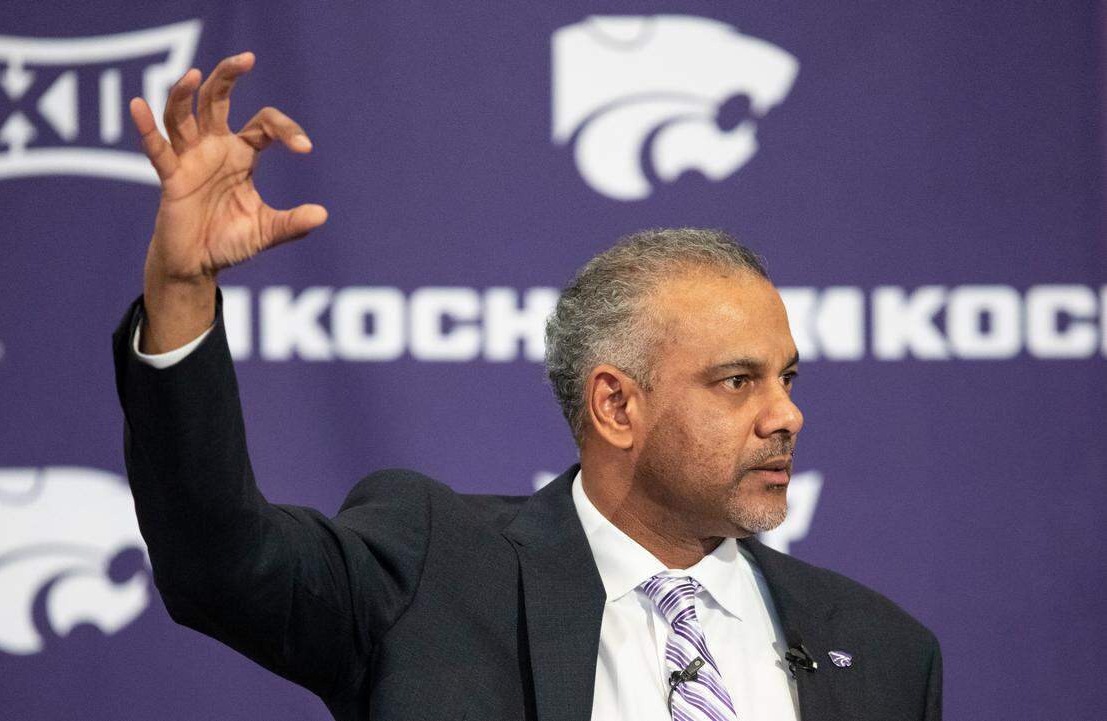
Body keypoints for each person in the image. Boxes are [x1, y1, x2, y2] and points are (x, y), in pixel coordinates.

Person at [115, 52, 942, 721]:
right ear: (616, 405)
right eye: (737, 381)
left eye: (786, 377)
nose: (786, 413)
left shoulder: (884, 653)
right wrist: (181, 290)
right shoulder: (437, 576)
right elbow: (222, 564)